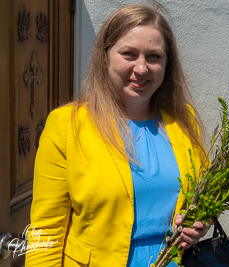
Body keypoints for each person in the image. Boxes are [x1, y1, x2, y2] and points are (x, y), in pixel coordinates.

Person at [25, 4, 211, 267]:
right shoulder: (67, 125)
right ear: (105, 57)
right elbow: (45, 232)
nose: (142, 68)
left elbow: (204, 197)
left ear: (167, 63)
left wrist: (200, 223)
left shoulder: (183, 120)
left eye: (154, 56)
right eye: (128, 54)